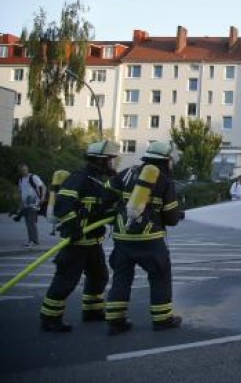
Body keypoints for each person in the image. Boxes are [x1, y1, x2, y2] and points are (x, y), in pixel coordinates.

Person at [103, 141, 183, 335]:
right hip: (150, 239)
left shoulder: (127, 173)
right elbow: (171, 218)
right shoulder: (163, 181)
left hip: (122, 237)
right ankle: (162, 319)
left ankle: (115, 320)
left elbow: (106, 196)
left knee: (121, 277)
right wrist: (178, 214)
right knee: (160, 276)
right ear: (166, 160)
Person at [40, 140, 119, 333]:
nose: (113, 164)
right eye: (110, 160)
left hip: (92, 240)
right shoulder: (80, 177)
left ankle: (92, 311)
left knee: (99, 276)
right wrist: (73, 226)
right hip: (76, 240)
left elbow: (99, 208)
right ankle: (50, 317)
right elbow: (63, 204)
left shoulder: (98, 181)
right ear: (100, 161)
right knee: (66, 279)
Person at [14, 163, 46, 248]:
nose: (24, 172)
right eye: (22, 170)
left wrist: (42, 197)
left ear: (27, 169)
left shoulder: (33, 177)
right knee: (28, 223)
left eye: (25, 170)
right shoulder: (21, 180)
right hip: (25, 205)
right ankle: (31, 241)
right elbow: (21, 193)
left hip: (34, 204)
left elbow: (42, 186)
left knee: (31, 223)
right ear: (20, 171)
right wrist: (20, 206)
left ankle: (34, 242)